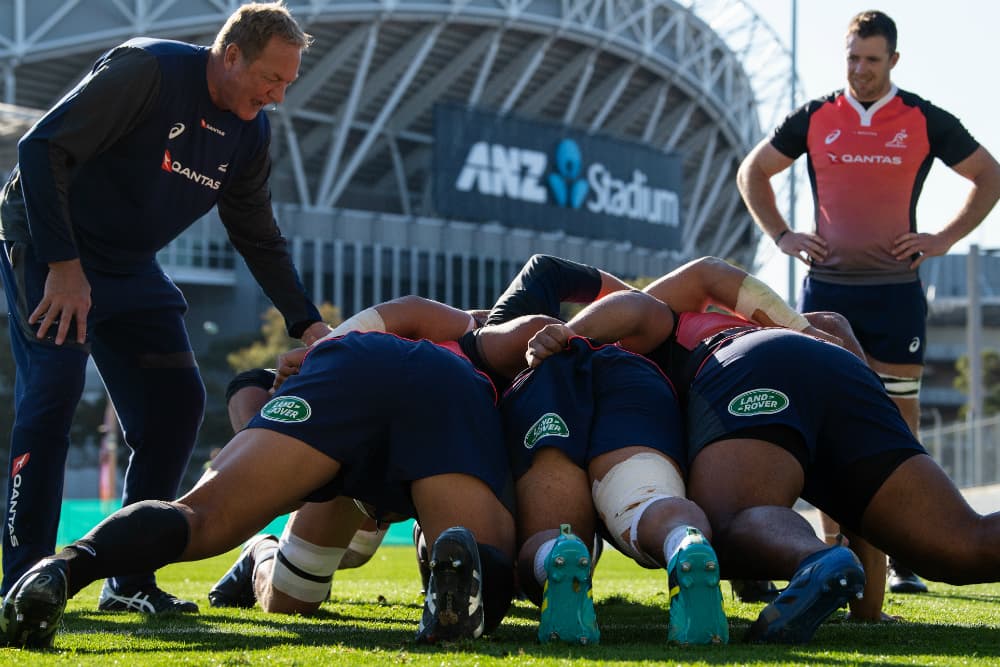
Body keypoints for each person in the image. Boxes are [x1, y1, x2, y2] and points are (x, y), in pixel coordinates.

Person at [0, 1, 334, 613]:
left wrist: (307, 323)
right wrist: (64, 267)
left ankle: (127, 578)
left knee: (176, 403)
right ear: (231, 56)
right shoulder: (147, 71)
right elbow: (39, 148)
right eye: (271, 80)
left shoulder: (248, 130)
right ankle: (22, 584)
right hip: (51, 248)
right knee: (54, 393)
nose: (278, 97)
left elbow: (257, 234)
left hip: (128, 265)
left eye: (288, 84)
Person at [0, 294, 544, 649]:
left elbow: (249, 386)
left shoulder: (386, 342)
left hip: (352, 381)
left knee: (202, 516)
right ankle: (458, 574)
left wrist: (275, 452)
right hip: (441, 395)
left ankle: (65, 568)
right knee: (484, 559)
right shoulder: (477, 343)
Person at [526, 273, 1000, 643]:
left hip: (747, 367)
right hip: (844, 375)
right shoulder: (808, 326)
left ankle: (812, 558)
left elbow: (635, 305)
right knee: (963, 545)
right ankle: (824, 564)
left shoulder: (664, 327)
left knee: (713, 529)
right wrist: (867, 613)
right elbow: (862, 515)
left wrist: (564, 333)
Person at [736, 10, 1000, 595]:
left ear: (894, 62)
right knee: (824, 427)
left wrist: (944, 240)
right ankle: (841, 562)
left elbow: (989, 174)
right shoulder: (815, 117)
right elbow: (754, 171)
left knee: (898, 429)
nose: (860, 70)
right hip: (826, 295)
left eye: (872, 60)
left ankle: (903, 558)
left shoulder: (924, 119)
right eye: (852, 59)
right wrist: (781, 235)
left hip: (895, 297)